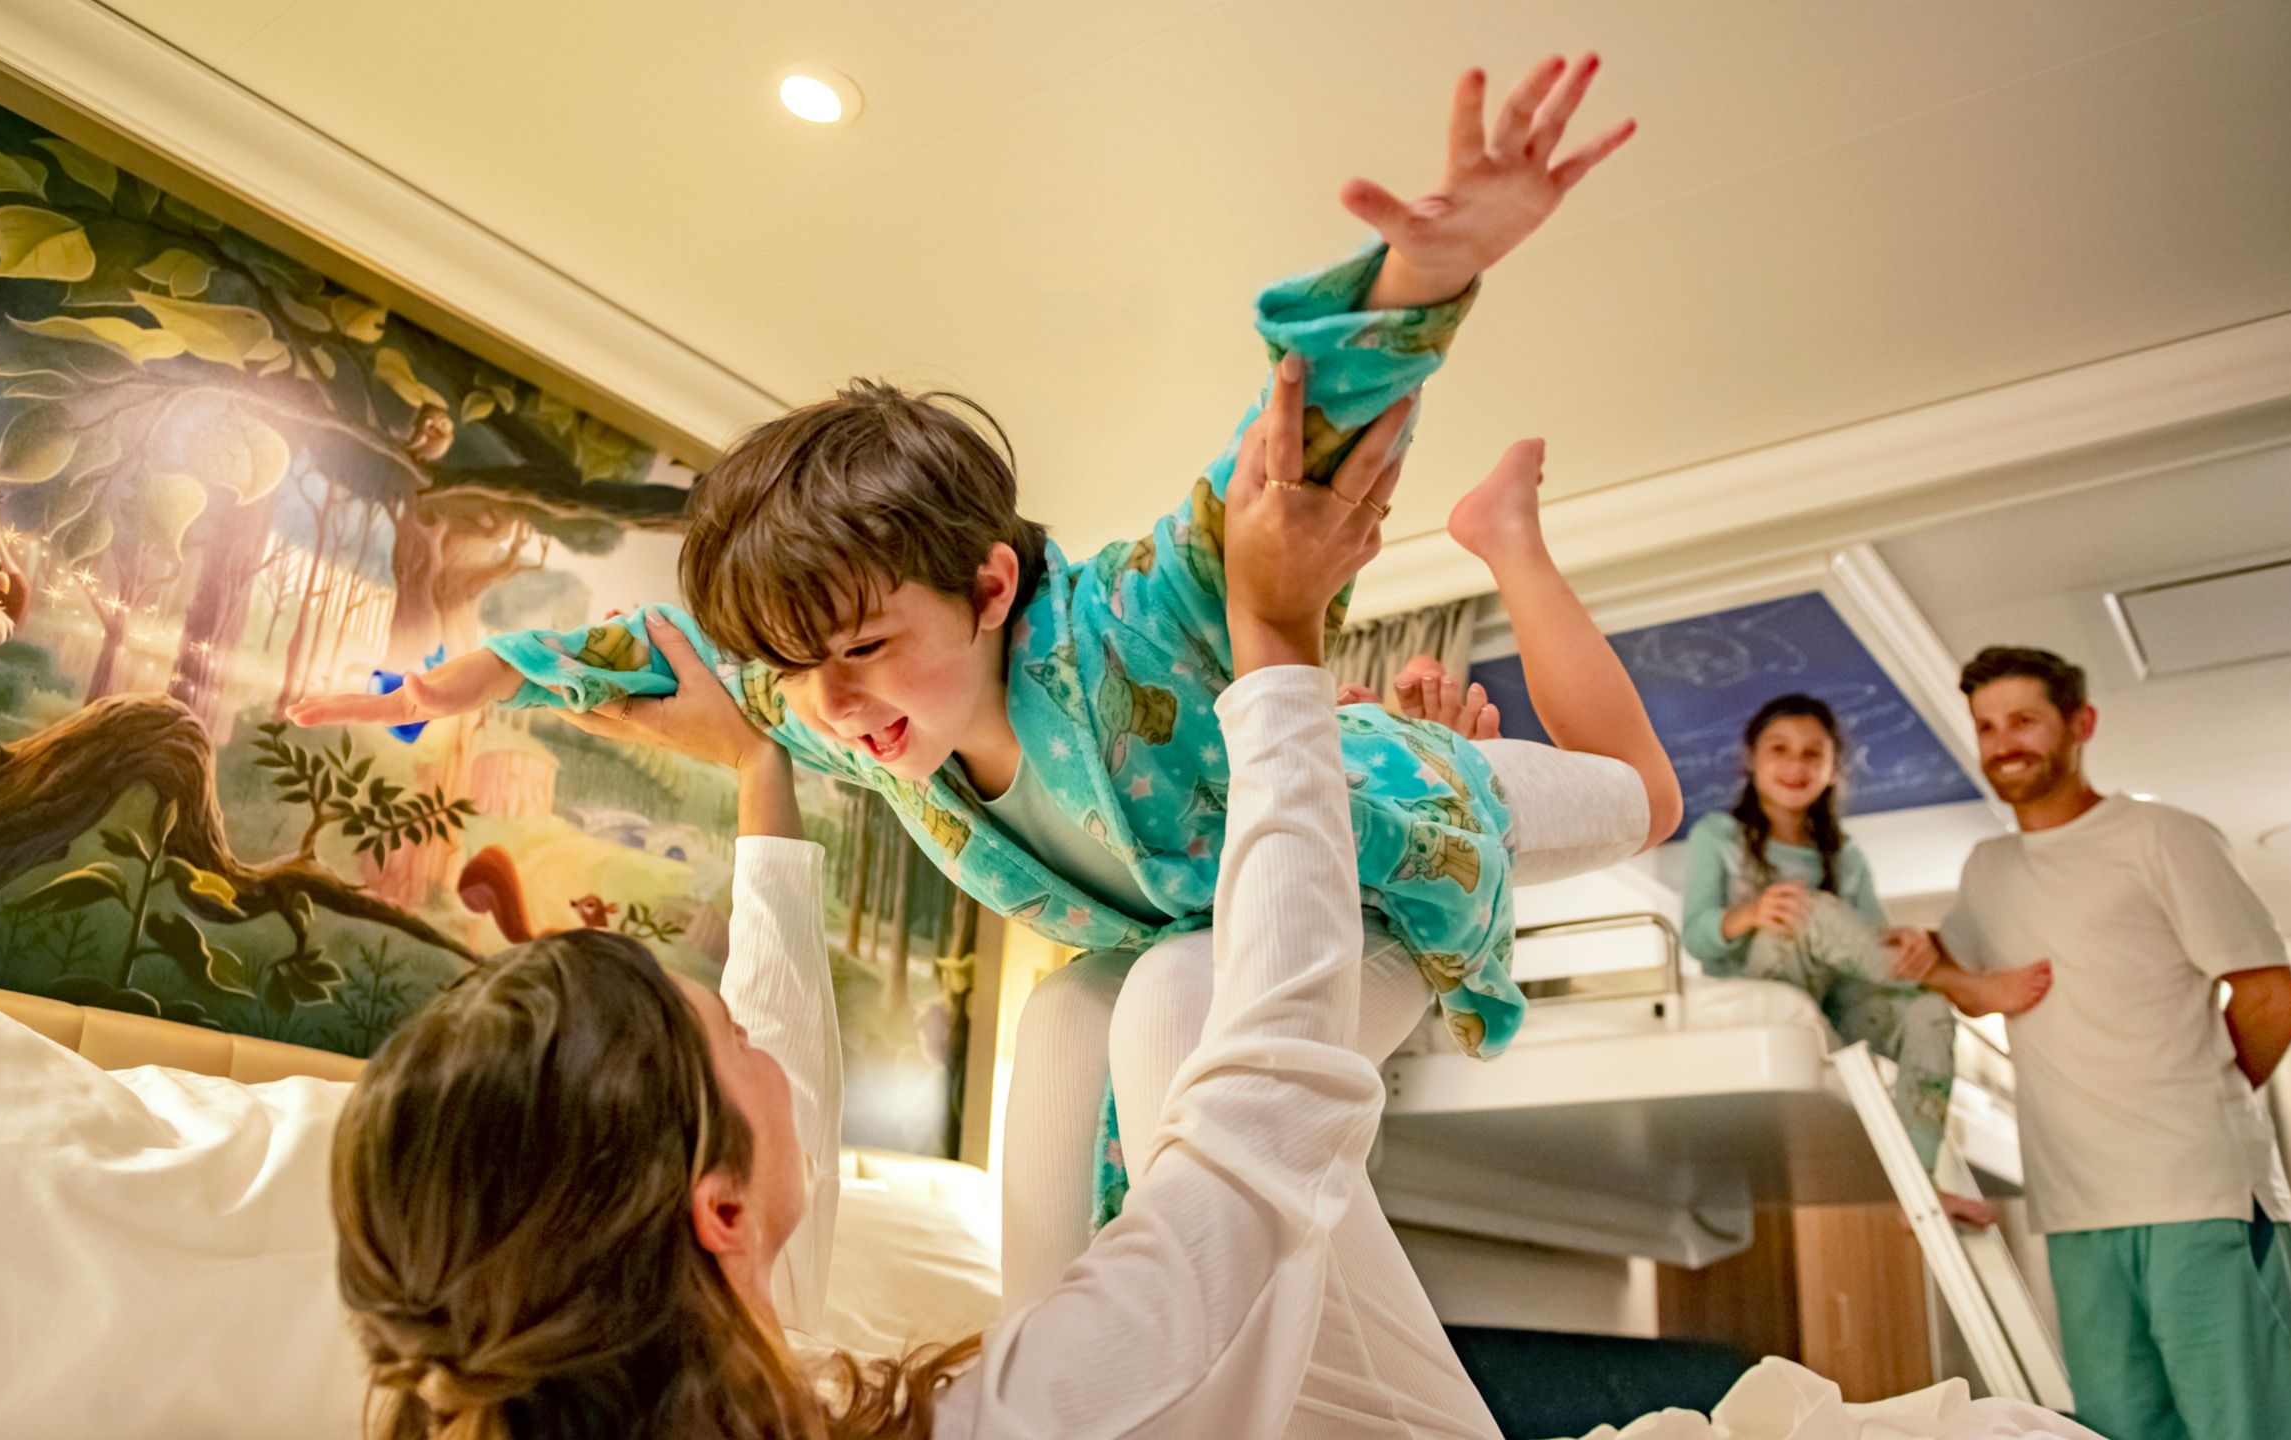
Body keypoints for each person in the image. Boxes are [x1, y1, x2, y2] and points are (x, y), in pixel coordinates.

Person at [291, 52, 1677, 1355]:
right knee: (1075, 1021)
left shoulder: (1128, 620)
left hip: (1389, 827)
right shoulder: (871, 729)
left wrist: (1422, 274)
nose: (831, 702)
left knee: (1638, 810)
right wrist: (487, 669)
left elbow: (1267, 479)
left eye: (868, 644)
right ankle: (1051, 1389)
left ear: (994, 585)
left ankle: (1509, 540)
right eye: (800, 672)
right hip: (1196, 921)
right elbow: (684, 657)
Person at [329, 365, 1499, 1438]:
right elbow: (1251, 1146)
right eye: (727, 1036)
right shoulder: (1014, 1414)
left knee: (1076, 1020)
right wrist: (1279, 650)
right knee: (1177, 1004)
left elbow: (720, 699)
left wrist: (728, 754)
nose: (764, 1047)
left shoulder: (728, 1362)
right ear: (719, 1211)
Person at [1887, 647, 2291, 1440]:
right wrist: (1939, 970)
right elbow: (1948, 976)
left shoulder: (2162, 836)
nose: (2002, 742)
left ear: (2080, 724)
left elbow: (2274, 1002)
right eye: (1986, 726)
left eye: (2023, 720)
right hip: (2075, 1210)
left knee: (2248, 1429)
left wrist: (2186, 1100)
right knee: (2118, 1432)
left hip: (2197, 1196)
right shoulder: (1989, 869)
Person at [1680, 694, 2050, 1226]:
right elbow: (1696, 936)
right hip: (1765, 987)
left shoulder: (1844, 856)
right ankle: (1963, 984)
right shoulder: (1719, 835)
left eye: (1813, 754)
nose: (1795, 765)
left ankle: (1916, 1185)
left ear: (1833, 769)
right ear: (1750, 760)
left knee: (1929, 1014)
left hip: (1835, 1001)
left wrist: (1906, 943)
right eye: (1779, 749)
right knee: (1806, 909)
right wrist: (1752, 914)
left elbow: (1869, 940)